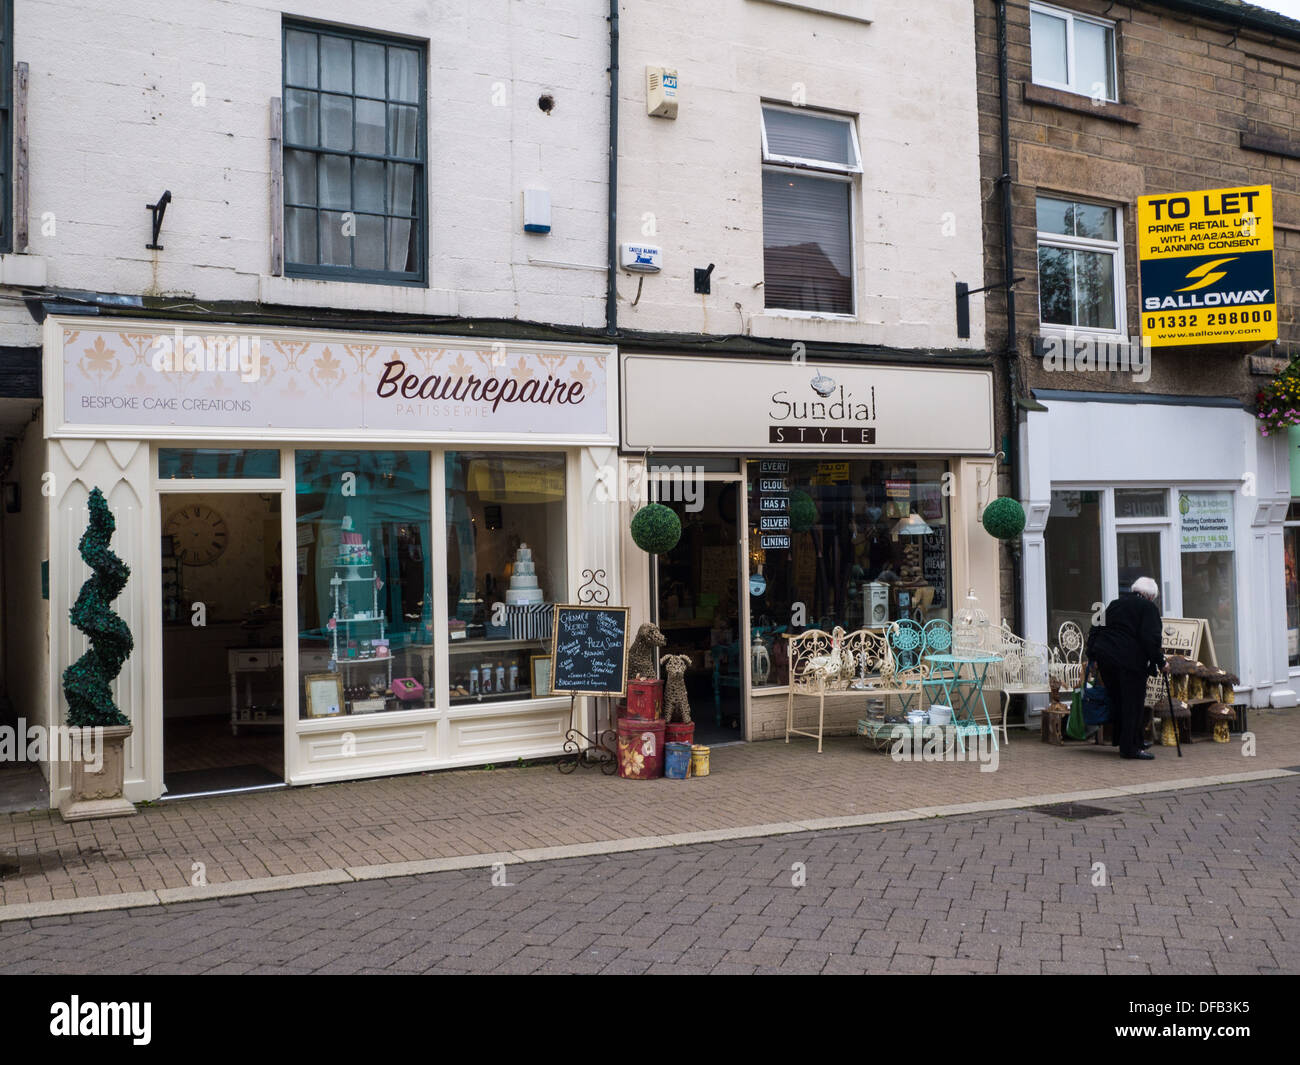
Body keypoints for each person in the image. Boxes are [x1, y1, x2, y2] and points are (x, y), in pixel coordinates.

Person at [1086, 577, 1167, 760]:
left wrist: (1092, 655)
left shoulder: (1115, 604)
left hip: (1106, 660)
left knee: (1118, 701)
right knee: (1133, 704)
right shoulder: (1148, 608)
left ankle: (1131, 740)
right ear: (1149, 595)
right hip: (1130, 662)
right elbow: (1150, 639)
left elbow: (1096, 628)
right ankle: (1130, 748)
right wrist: (1161, 662)